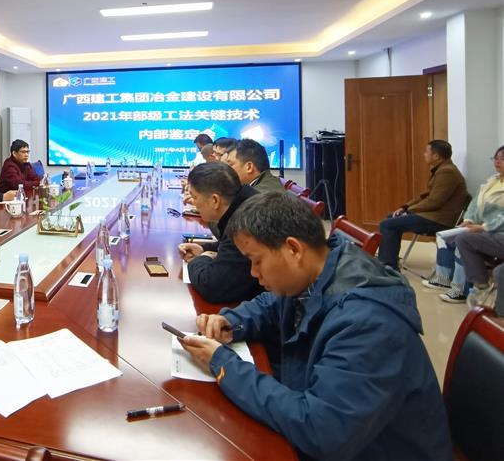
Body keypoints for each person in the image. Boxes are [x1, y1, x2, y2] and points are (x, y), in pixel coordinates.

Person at [179, 192, 452, 461]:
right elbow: (272, 304)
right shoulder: (318, 269)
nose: (253, 272)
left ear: (293, 249)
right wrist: (232, 321)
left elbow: (322, 433)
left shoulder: (368, 323)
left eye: (257, 260)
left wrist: (223, 364)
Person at [422, 145, 504, 304]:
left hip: (495, 230)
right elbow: (474, 204)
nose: (497, 162)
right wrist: (468, 220)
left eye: (502, 159)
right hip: (482, 227)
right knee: (446, 237)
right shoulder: (493, 181)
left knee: (464, 240)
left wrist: (483, 228)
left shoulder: (448, 172)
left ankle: (463, 290)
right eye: (496, 158)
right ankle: (443, 279)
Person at [177, 163, 262, 303]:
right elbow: (229, 244)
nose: (193, 203)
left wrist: (199, 259)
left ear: (215, 200)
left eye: (195, 197)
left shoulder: (244, 222)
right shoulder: (244, 203)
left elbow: (213, 287)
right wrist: (204, 248)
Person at [377, 139, 468, 269]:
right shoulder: (442, 169)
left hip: (439, 220)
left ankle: (387, 266)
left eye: (426, 152)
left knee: (386, 225)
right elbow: (425, 195)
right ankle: (389, 258)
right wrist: (405, 207)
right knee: (391, 217)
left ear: (436, 156)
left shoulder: (447, 172)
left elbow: (434, 202)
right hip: (433, 215)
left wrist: (409, 211)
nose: (424, 154)